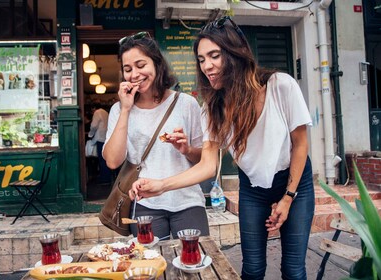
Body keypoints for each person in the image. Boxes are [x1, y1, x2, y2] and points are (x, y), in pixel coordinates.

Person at [131, 17, 315, 280]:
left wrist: (287, 198)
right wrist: (161, 185)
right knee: (252, 269)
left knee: (294, 271)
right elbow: (208, 165)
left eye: (214, 56)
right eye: (201, 59)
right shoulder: (214, 107)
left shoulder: (280, 85)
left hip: (294, 183)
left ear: (234, 52)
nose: (207, 66)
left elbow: (301, 145)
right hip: (252, 188)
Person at [102, 31, 209, 239]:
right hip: (144, 204)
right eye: (127, 69)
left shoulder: (186, 104)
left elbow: (204, 160)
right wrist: (125, 109)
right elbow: (113, 162)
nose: (134, 74)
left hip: (187, 200)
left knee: (193, 262)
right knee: (151, 268)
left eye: (141, 65)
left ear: (157, 64)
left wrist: (186, 149)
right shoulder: (119, 109)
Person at [88, 105, 112, 184]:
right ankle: (107, 177)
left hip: (100, 138)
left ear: (94, 108)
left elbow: (94, 126)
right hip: (106, 137)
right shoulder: (105, 113)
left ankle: (104, 179)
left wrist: (90, 134)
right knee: (105, 158)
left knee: (101, 159)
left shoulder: (97, 112)